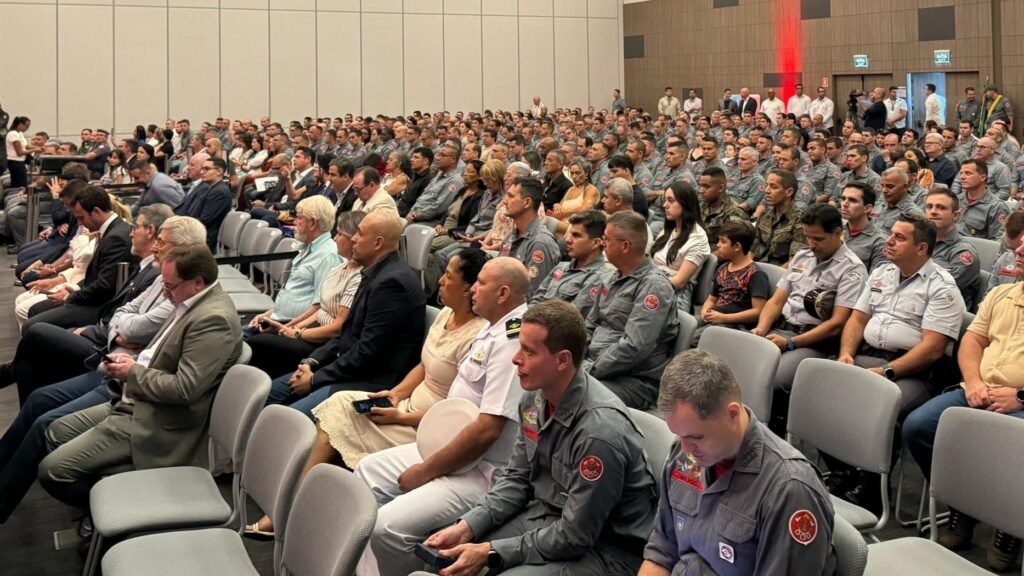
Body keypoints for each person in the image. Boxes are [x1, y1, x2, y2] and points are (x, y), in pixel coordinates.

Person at [244, 249, 488, 538]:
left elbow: (459, 411)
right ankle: (302, 504)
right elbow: (424, 366)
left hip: (427, 424)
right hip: (406, 402)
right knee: (337, 408)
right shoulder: (446, 314)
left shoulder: (479, 336)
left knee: (329, 421)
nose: (441, 281)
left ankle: (291, 510)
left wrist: (402, 415)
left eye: (448, 276)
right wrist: (396, 394)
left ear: (467, 288)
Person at [421, 300, 657, 575]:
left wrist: (491, 552)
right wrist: (469, 525)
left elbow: (576, 535)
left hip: (603, 549)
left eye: (529, 351)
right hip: (546, 518)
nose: (515, 358)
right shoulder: (534, 399)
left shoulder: (599, 434)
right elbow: (516, 478)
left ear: (562, 360)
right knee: (443, 556)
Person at [0, 215, 204, 523]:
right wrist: (118, 333)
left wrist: (120, 337)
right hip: (116, 357)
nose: (155, 244)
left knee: (37, 343)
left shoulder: (184, 291)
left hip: (125, 378)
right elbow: (125, 312)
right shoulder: (164, 274)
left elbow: (143, 329)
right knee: (38, 394)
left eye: (162, 240)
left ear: (184, 247)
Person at [355, 257, 529, 576]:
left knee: (385, 527)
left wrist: (424, 471)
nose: (473, 288)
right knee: (367, 471)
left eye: (482, 283)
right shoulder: (493, 328)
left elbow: (487, 431)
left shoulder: (512, 340)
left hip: (482, 469)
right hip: (450, 448)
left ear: (503, 294)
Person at [37, 244, 242, 509]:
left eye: (170, 286)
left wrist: (133, 372)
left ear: (198, 282)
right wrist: (133, 363)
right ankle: (113, 501)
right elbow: (165, 360)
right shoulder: (190, 301)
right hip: (139, 401)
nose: (165, 294)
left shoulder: (213, 320)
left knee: (52, 471)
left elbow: (184, 389)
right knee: (54, 431)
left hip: (161, 421)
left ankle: (121, 513)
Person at [640, 350, 837, 576]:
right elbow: (662, 554)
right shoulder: (684, 455)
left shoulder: (788, 490)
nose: (686, 449)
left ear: (732, 413)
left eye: (696, 437)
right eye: (679, 435)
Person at [902, 239, 1024, 571]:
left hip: (1021, 402)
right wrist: (973, 382)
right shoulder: (1002, 294)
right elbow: (973, 339)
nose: (1020, 250)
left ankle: (1011, 524)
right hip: (978, 389)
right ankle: (962, 502)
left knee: (1012, 444)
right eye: (1021, 243)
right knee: (919, 427)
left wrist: (1020, 396)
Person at [833, 213, 965, 511]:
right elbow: (856, 320)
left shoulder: (942, 287)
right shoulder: (881, 272)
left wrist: (886, 371)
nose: (888, 241)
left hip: (912, 371)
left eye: (899, 237)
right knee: (822, 393)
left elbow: (932, 349)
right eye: (891, 234)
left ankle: (872, 492)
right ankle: (844, 472)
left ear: (921, 248)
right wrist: (846, 354)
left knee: (880, 408)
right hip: (867, 356)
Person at [265, 213, 425, 417]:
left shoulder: (392, 284)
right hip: (347, 368)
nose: (353, 239)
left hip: (369, 383)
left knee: (285, 419)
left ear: (377, 243)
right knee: (268, 393)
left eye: (359, 233)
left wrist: (315, 379)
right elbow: (347, 332)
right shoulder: (375, 272)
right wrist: (311, 362)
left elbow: (367, 354)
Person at [753, 204, 867, 394]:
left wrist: (791, 343)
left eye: (818, 238)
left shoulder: (852, 269)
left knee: (773, 378)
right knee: (742, 362)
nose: (811, 244)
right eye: (808, 237)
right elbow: (776, 301)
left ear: (837, 233)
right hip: (780, 329)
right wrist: (761, 329)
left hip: (812, 340)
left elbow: (837, 323)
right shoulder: (802, 256)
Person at [247, 211, 364, 378]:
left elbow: (336, 328)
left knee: (256, 342)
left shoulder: (353, 272)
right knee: (256, 339)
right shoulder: (339, 268)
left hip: (325, 342)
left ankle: (258, 394)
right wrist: (290, 328)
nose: (335, 238)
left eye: (339, 234)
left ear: (354, 239)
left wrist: (296, 332)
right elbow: (320, 309)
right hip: (310, 329)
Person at [585, 211, 678, 410]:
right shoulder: (610, 278)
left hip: (634, 380)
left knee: (574, 392)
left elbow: (635, 346)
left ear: (625, 245)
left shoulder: (654, 286)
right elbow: (590, 325)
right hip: (596, 367)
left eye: (607, 240)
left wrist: (590, 369)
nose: (603, 244)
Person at [23, 185, 135, 332]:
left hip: (101, 306)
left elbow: (105, 286)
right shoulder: (110, 230)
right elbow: (97, 277)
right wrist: (71, 289)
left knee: (31, 326)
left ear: (96, 211)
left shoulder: (116, 237)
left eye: (81, 217)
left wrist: (70, 296)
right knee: (36, 310)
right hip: (91, 294)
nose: (80, 223)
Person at [246, 196, 343, 334]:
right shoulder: (306, 248)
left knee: (235, 342)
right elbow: (295, 293)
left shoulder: (328, 255)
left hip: (293, 327)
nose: (294, 222)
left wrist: (284, 328)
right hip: (279, 321)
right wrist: (266, 315)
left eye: (298, 218)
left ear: (313, 223)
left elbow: (320, 307)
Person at [698, 220, 771, 335]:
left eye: (723, 242)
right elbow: (712, 299)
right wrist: (704, 311)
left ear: (737, 246)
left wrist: (724, 318)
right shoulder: (722, 268)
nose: (718, 245)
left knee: (697, 337)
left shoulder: (756, 274)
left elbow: (758, 312)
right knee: (685, 327)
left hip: (734, 325)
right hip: (716, 317)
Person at [532, 210, 609, 318]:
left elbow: (569, 319)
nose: (567, 239)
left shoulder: (599, 278)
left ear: (595, 243)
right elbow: (536, 300)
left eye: (576, 235)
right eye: (569, 234)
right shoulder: (560, 267)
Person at [651, 181, 711, 312]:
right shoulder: (668, 230)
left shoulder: (698, 238)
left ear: (685, 204)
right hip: (654, 282)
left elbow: (680, 282)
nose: (665, 205)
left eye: (671, 201)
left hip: (676, 294)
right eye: (665, 200)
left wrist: (646, 283)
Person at [498, 176, 560, 297]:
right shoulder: (512, 236)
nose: (505, 201)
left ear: (526, 202)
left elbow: (533, 295)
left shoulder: (540, 243)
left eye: (510, 196)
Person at [924, 187, 983, 311]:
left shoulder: (964, 254)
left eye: (941, 207)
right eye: (929, 206)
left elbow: (936, 290)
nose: (933, 212)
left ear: (955, 215)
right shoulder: (919, 243)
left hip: (942, 315)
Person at [173, 156, 232, 250]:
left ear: (219, 171)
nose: (202, 172)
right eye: (202, 169)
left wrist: (180, 226)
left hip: (202, 241)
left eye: (206, 169)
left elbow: (204, 221)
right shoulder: (212, 189)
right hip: (196, 235)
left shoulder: (219, 192)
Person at [750, 170, 807, 266]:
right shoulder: (765, 213)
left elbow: (793, 261)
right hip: (756, 267)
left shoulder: (800, 219)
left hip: (778, 272)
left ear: (789, 192)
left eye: (773, 187)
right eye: (767, 185)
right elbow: (752, 248)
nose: (766, 191)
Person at [954, 159, 1010, 241]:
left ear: (982, 177)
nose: (962, 177)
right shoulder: (956, 201)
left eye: (968, 173)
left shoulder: (996, 207)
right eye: (961, 173)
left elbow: (997, 243)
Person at [840, 182, 887, 272]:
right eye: (843, 199)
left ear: (867, 208)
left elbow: (875, 280)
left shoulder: (879, 241)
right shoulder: (835, 228)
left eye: (853, 200)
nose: (844, 204)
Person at [874, 167, 924, 237]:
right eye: (882, 186)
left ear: (905, 187)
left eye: (890, 187)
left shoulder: (912, 214)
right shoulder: (877, 205)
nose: (884, 190)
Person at [985, 211, 1024, 295]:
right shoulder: (1004, 260)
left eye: (1022, 245)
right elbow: (988, 296)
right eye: (1012, 249)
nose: (1017, 252)